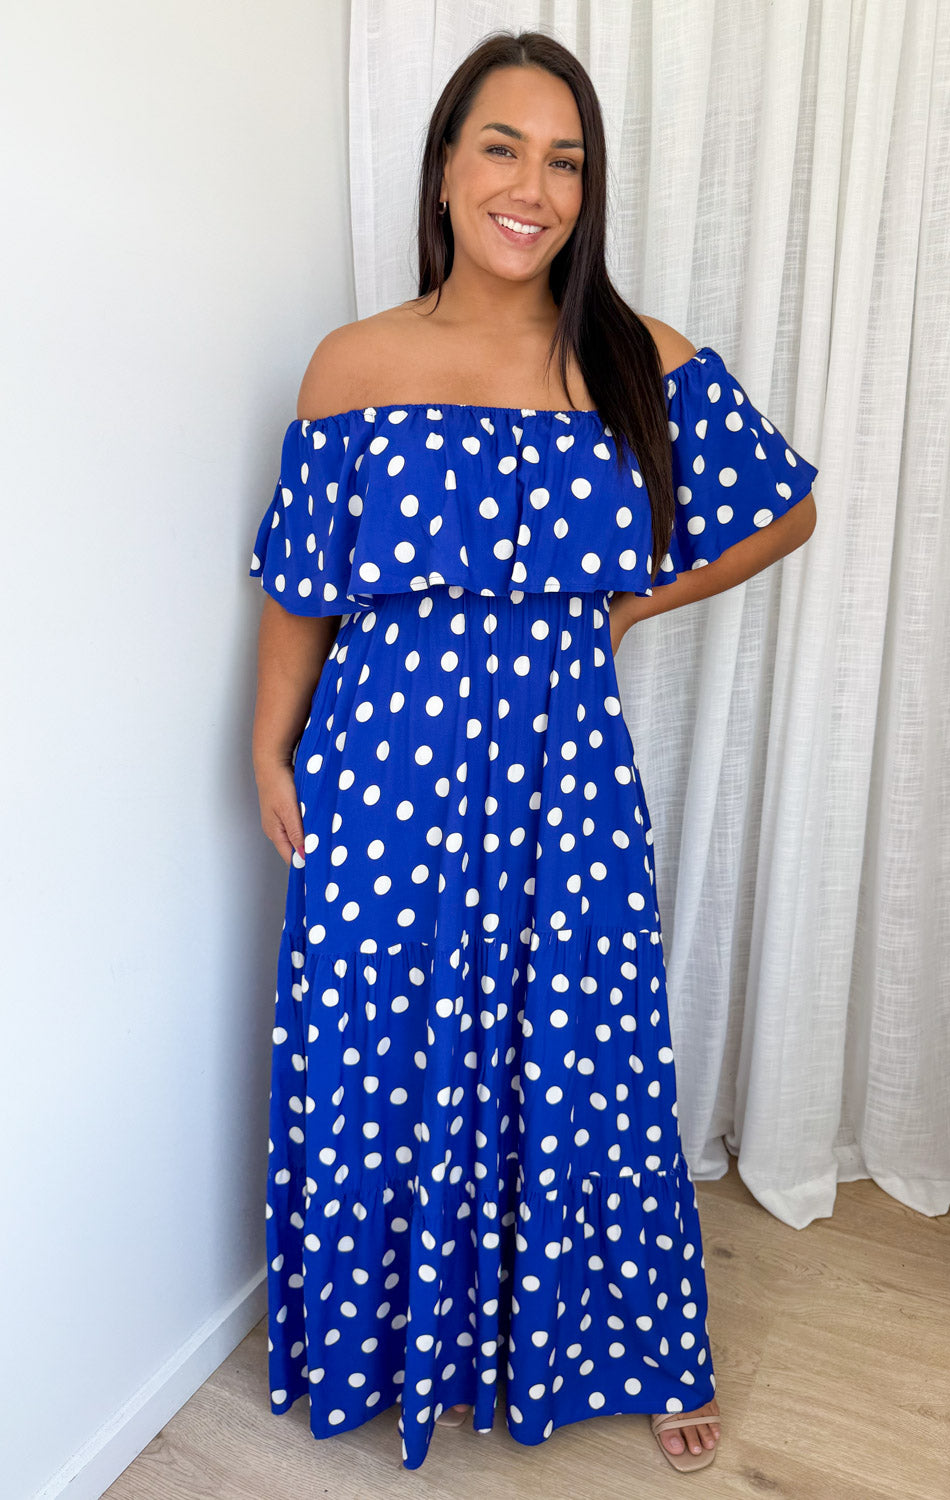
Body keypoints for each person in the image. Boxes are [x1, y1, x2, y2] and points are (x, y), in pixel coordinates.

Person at [249, 28, 818, 1477]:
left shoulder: (632, 357)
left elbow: (783, 509)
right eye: (502, 147)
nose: (533, 187)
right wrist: (268, 749)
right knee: (384, 1051)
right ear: (446, 167)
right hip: (381, 768)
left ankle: (625, 1343)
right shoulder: (353, 365)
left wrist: (625, 604)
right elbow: (303, 586)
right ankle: (399, 1347)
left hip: (564, 773)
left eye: (565, 162)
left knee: (581, 1054)